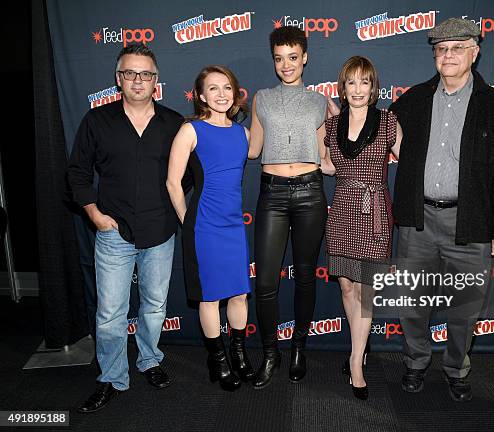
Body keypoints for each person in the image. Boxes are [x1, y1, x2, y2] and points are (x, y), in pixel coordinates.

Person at [389, 18, 494, 402]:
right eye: (441, 49)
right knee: (413, 304)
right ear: (434, 54)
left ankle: (456, 368)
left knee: (465, 309)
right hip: (418, 222)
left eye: (457, 48)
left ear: (474, 52)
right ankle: (416, 363)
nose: (448, 55)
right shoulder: (414, 100)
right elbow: (375, 135)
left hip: (470, 224)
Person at [67, 43, 184, 413]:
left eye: (145, 74)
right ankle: (112, 376)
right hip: (113, 233)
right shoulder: (97, 121)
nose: (138, 80)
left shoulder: (173, 123)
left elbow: (186, 176)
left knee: (154, 306)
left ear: (156, 80)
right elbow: (78, 173)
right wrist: (93, 213)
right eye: (130, 73)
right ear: (119, 79)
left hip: (160, 231)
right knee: (110, 313)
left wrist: (175, 211)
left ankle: (149, 360)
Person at [247, 26, 329, 389]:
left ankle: (298, 347)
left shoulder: (320, 102)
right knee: (265, 282)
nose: (286, 65)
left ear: (305, 57)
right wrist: (208, 131)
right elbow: (253, 149)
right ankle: (270, 353)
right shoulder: (262, 98)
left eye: (293, 58)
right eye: (280, 59)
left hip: (311, 192)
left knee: (307, 276)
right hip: (273, 193)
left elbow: (328, 153)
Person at [166, 65, 253, 391]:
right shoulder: (191, 131)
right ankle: (217, 360)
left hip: (233, 226)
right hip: (204, 225)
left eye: (227, 87)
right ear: (201, 96)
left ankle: (239, 352)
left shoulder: (243, 135)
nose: (221, 94)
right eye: (213, 88)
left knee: (240, 294)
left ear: (235, 93)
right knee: (210, 297)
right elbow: (173, 182)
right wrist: (187, 220)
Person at [320, 56, 402, 400]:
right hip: (341, 210)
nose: (357, 89)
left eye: (364, 82)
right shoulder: (330, 125)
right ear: (343, 87)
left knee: (366, 290)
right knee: (346, 288)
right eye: (350, 82)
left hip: (375, 215)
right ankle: (359, 348)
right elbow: (324, 165)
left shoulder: (387, 122)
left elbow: (409, 160)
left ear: (373, 87)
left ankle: (356, 361)